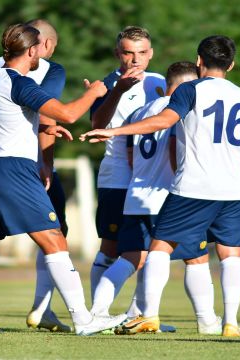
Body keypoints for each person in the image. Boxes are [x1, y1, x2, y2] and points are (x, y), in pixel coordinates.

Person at [0, 23, 126, 336]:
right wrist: (95, 92)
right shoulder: (18, 81)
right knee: (54, 239)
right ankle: (84, 320)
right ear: (33, 50)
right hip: (12, 170)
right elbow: (69, 113)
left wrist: (42, 129)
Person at [82, 35, 240, 337]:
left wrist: (116, 131)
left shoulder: (191, 90)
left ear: (200, 61)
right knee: (231, 255)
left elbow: (164, 121)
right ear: (231, 64)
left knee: (160, 248)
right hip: (236, 188)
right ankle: (229, 322)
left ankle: (148, 315)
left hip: (195, 186)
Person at [90, 61, 226, 334]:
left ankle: (97, 313)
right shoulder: (181, 113)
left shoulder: (140, 112)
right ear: (190, 87)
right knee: (196, 257)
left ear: (165, 86)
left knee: (130, 258)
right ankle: (207, 321)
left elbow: (130, 155)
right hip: (169, 197)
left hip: (136, 194)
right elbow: (177, 155)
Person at [0, 19, 71, 334]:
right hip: (22, 165)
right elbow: (47, 114)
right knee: (53, 233)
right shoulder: (49, 69)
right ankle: (45, 308)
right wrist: (46, 163)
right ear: (43, 46)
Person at [89, 26, 166, 307]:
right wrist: (117, 92)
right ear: (117, 53)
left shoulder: (160, 82)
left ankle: (138, 313)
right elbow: (96, 126)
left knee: (151, 250)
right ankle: (97, 315)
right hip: (118, 177)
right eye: (128, 53)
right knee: (110, 248)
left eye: (142, 52)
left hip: (152, 180)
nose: (135, 59)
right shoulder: (106, 85)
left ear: (151, 53)